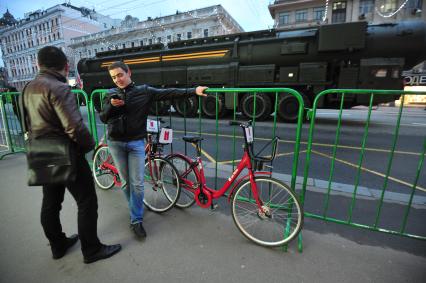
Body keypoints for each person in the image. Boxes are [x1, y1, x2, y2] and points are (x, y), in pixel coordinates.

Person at [23, 46, 121, 264]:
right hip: (65, 152)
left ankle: (58, 246)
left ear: (38, 65)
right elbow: (74, 127)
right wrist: (90, 147)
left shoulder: (28, 87)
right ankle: (92, 250)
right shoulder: (59, 87)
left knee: (50, 202)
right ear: (66, 66)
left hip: (39, 150)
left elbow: (27, 122)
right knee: (87, 201)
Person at [100, 61, 207, 239]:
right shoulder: (110, 94)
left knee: (138, 184)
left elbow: (169, 93)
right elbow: (103, 118)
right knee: (126, 183)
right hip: (116, 143)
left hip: (135, 143)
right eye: (113, 77)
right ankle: (135, 209)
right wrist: (111, 105)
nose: (117, 79)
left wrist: (194, 91)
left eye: (120, 75)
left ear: (129, 73)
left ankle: (136, 220)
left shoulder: (144, 91)